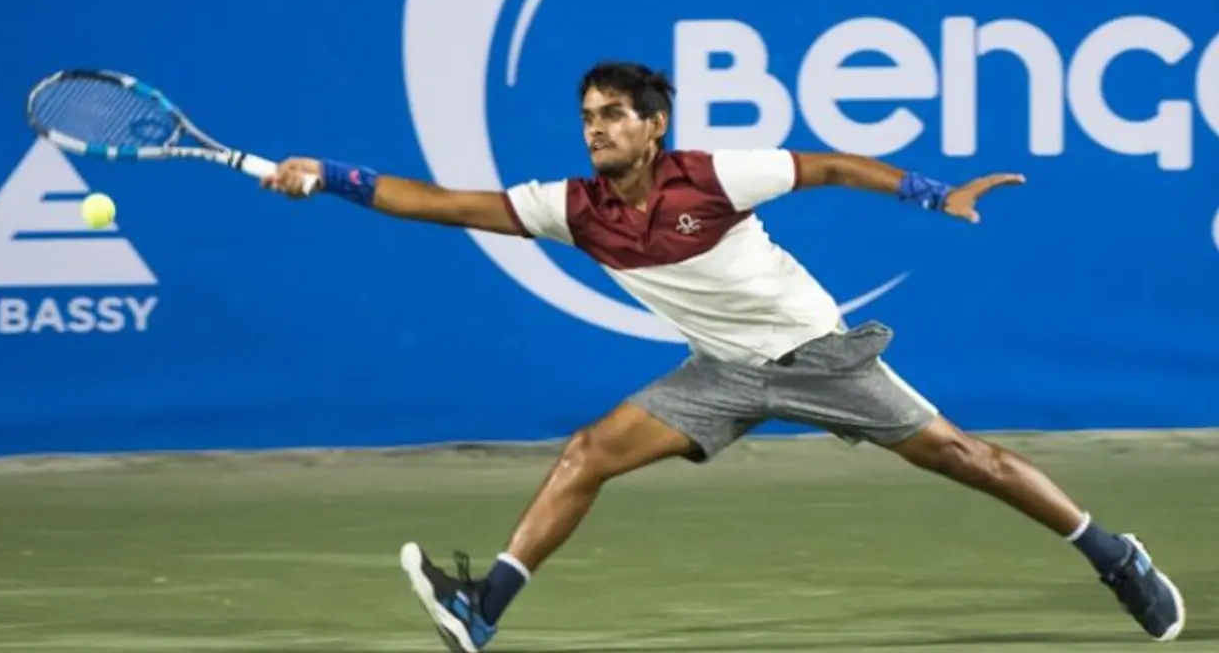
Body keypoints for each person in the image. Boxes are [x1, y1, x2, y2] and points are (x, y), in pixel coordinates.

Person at [261, 61, 1185, 651]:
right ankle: (483, 608)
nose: (596, 128)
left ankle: (1113, 554)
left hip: (815, 353)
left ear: (654, 126)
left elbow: (825, 167)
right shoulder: (571, 207)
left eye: (615, 115)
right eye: (588, 115)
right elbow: (441, 203)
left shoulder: (712, 175)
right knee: (588, 451)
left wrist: (931, 193)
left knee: (965, 459)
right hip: (716, 371)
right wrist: (330, 176)